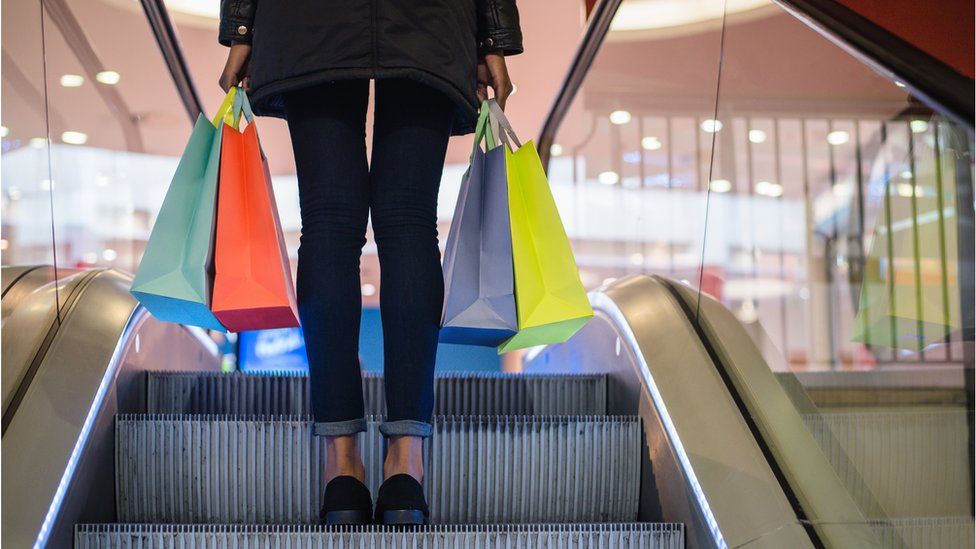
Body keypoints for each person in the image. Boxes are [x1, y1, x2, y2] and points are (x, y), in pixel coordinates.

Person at [217, 0, 523, 526]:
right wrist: (493, 33)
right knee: (408, 225)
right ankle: (406, 466)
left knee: (329, 226)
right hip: (428, 22)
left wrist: (243, 26)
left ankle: (341, 470)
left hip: (309, 21)